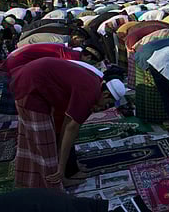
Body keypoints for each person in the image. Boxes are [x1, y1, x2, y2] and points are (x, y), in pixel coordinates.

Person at [10, 58, 125, 189]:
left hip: (32, 79)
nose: (105, 107)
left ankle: (30, 178)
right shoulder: (89, 94)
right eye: (108, 104)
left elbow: (66, 123)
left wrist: (65, 159)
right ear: (105, 95)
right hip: (30, 88)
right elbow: (71, 129)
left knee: (44, 140)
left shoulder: (96, 82)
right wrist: (61, 167)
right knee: (45, 144)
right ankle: (54, 185)